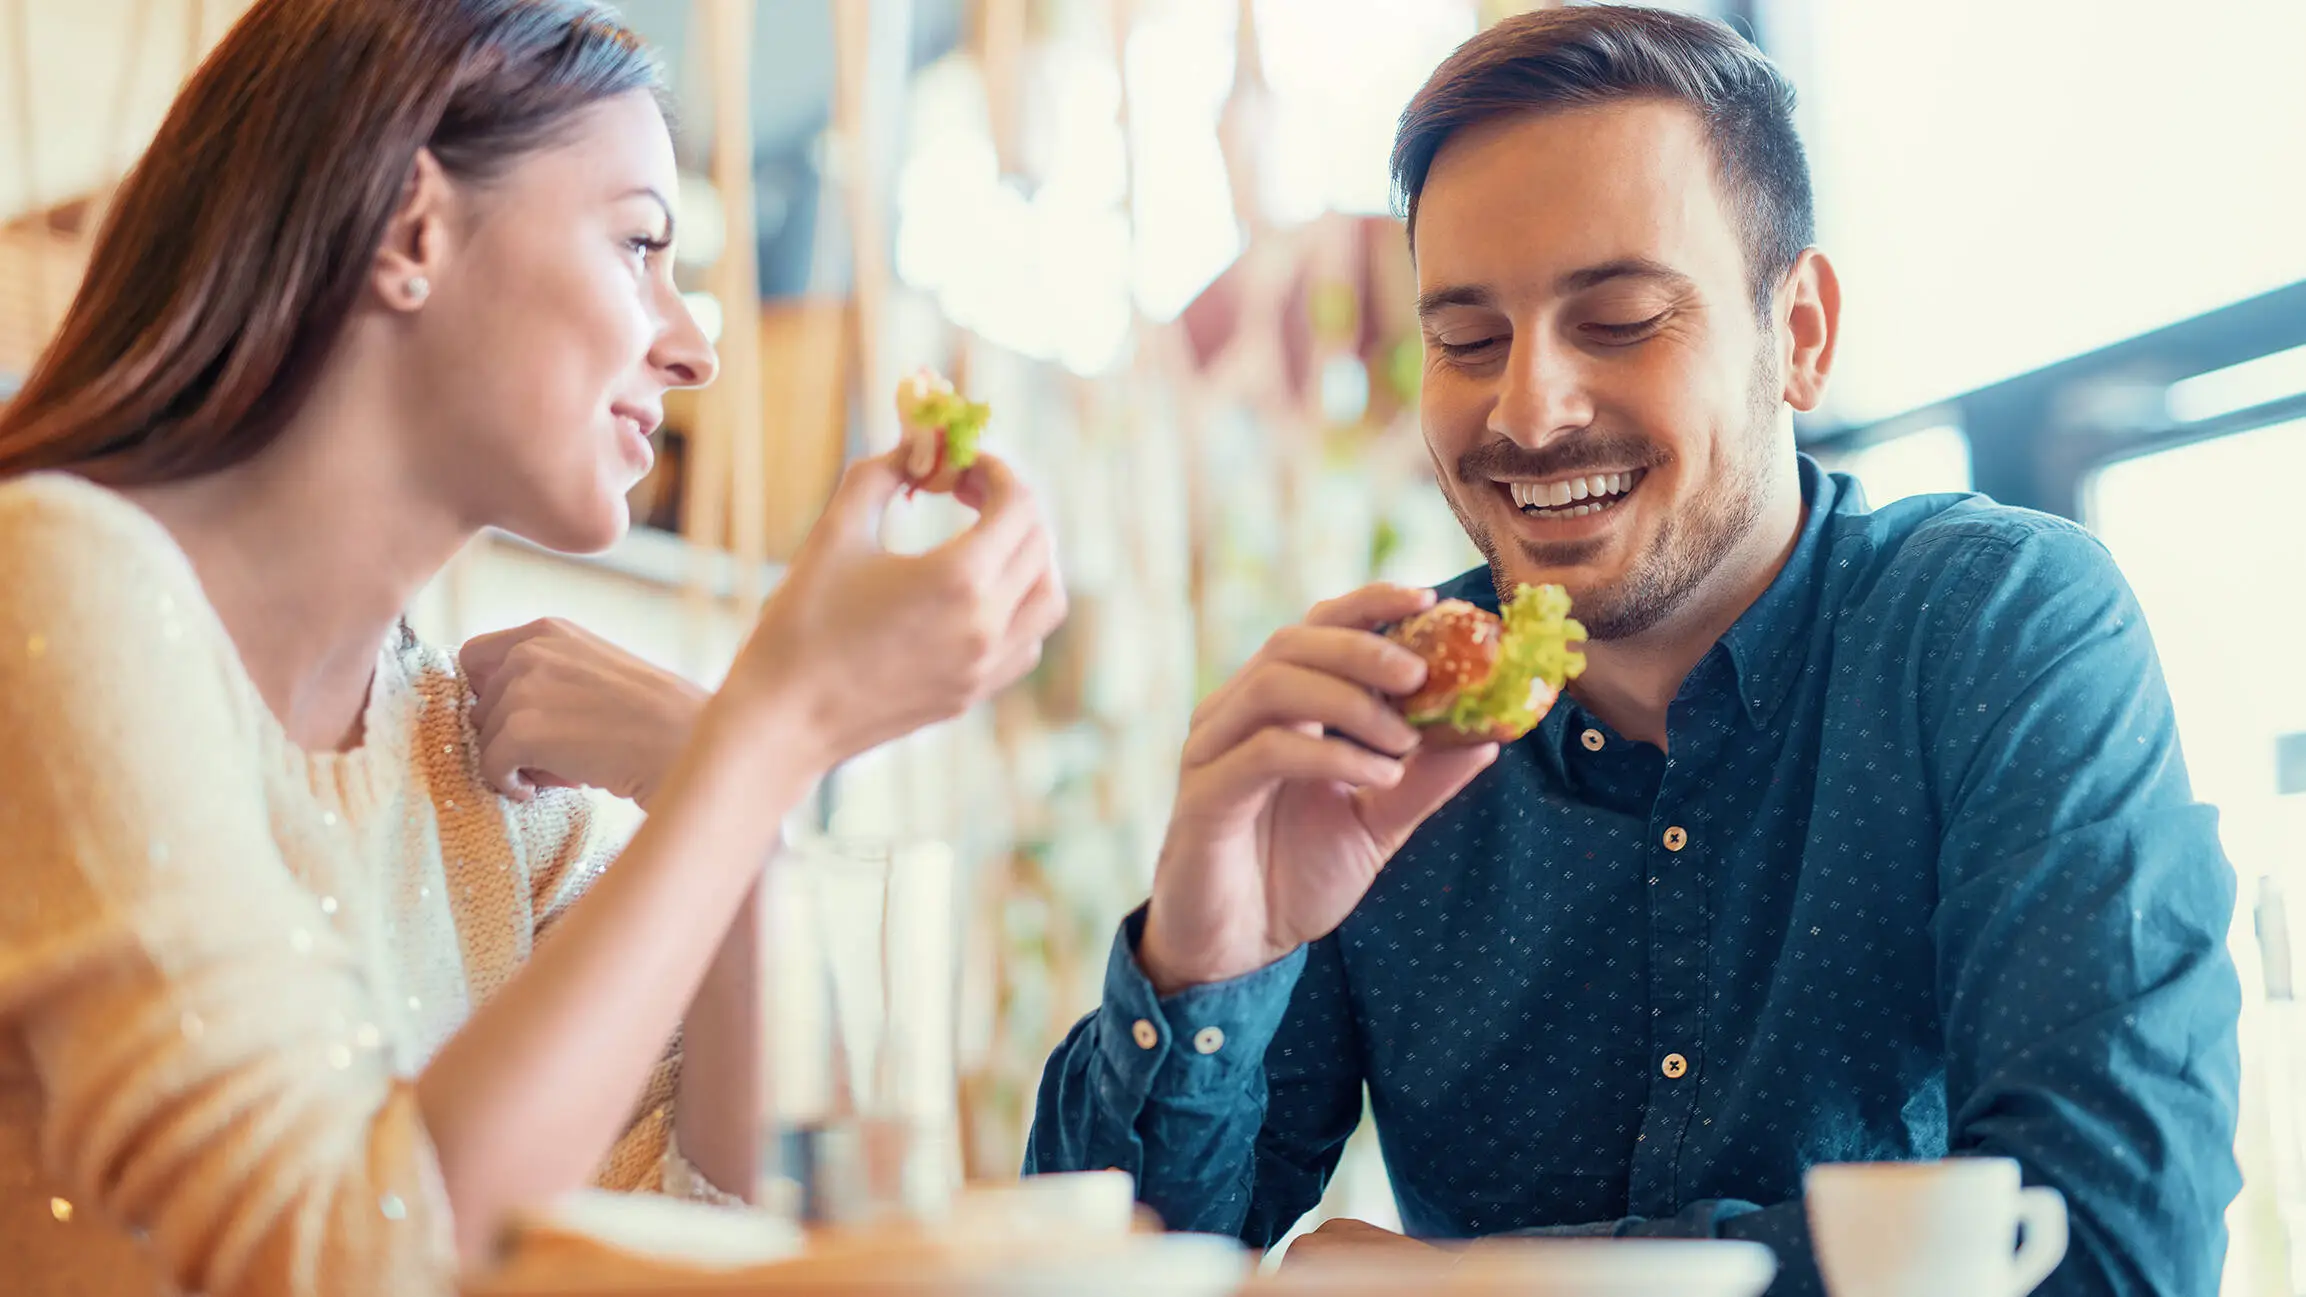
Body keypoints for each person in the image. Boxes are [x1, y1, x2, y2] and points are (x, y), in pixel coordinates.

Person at [1022, 8, 2240, 1294]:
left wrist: (1463, 1282)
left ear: (1802, 334)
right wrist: (1207, 962)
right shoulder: (1374, 732)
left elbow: (2108, 1244)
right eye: (1467, 341)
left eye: (1616, 319)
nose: (1525, 409)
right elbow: (1105, 1274)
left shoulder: (1994, 630)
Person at [0, 2, 1063, 1294]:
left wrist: (727, 797)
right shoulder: (51, 579)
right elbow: (340, 1257)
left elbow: (691, 1244)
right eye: (638, 244)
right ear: (410, 227)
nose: (695, 343)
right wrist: (771, 731)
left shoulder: (480, 770)